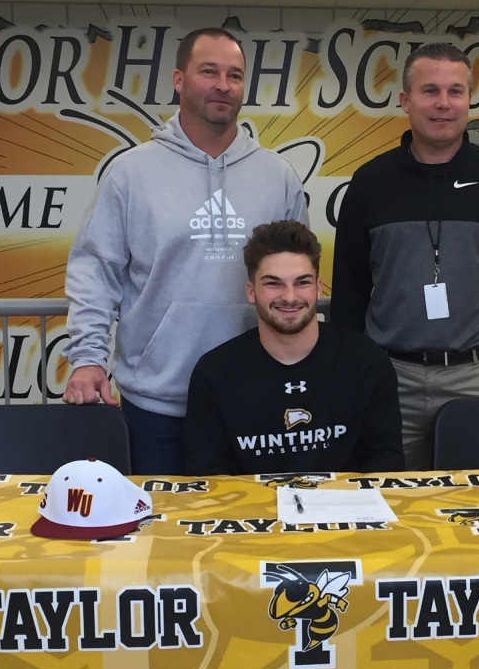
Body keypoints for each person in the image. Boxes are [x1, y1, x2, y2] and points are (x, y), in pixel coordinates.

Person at [61, 28, 307, 474]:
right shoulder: (131, 174)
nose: (222, 85)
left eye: (234, 75)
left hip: (257, 399)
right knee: (158, 536)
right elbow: (95, 272)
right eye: (208, 71)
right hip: (157, 407)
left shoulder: (278, 176)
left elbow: (297, 282)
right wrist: (88, 357)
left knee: (255, 535)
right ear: (179, 79)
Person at [330, 41, 479, 469]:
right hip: (390, 377)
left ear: (469, 101)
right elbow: (350, 285)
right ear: (405, 100)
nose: (443, 104)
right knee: (392, 503)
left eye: (455, 91)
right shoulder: (371, 182)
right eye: (430, 90)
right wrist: (361, 367)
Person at [184, 221, 404, 475]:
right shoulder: (214, 372)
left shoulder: (366, 361)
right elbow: (207, 476)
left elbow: (385, 462)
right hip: (254, 511)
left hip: (343, 510)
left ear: (319, 288)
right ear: (251, 291)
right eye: (273, 283)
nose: (289, 297)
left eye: (302, 282)